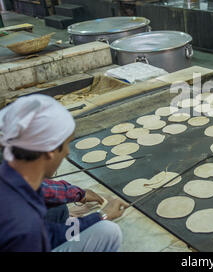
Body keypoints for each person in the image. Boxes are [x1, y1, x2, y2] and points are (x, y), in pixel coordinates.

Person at [0, 94, 129, 252]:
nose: (68, 152)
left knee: (60, 210)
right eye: (66, 144)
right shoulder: (23, 225)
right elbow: (51, 236)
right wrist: (103, 216)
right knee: (109, 231)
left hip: (40, 234)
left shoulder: (10, 176)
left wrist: (89, 206)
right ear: (50, 150)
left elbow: (50, 230)